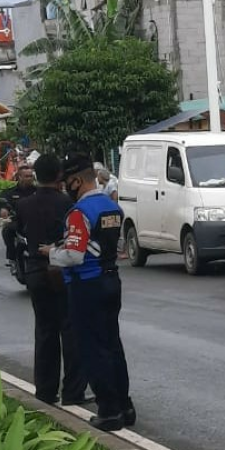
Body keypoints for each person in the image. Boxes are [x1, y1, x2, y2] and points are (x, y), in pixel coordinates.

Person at [48, 154, 133, 432]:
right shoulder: (111, 207)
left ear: (76, 180)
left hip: (87, 284)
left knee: (92, 349)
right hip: (112, 280)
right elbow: (117, 244)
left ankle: (109, 411)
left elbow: (73, 255)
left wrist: (51, 253)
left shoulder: (79, 213)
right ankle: (124, 405)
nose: (64, 188)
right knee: (112, 344)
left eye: (66, 183)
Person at [19, 154, 89, 407]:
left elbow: (12, 232)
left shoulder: (25, 205)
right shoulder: (69, 203)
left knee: (45, 332)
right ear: (59, 175)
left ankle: (45, 391)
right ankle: (73, 391)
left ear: (36, 175)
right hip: (63, 272)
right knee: (70, 332)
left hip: (36, 273)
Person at [0, 163, 37, 267]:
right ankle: (12, 258)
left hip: (37, 221)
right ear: (19, 177)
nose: (29, 179)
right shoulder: (10, 193)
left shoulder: (38, 192)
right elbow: (4, 206)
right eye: (26, 176)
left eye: (31, 176)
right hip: (19, 222)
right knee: (7, 230)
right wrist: (4, 211)